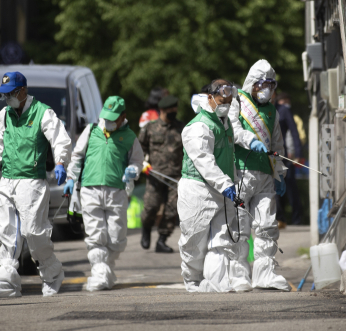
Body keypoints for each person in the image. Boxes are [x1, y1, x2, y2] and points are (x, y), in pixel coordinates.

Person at [0, 71, 71, 298]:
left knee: (33, 232)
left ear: (23, 90)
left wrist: (61, 162)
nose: (7, 99)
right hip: (7, 180)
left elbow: (60, 139)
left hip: (32, 182)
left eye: (11, 94)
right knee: (6, 231)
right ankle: (7, 282)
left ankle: (52, 272)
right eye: (4, 95)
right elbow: (1, 150)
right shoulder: (4, 115)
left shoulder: (43, 113)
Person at [178, 79, 251, 292]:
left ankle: (215, 283)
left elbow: (228, 157)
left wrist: (232, 182)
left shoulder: (224, 123)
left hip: (222, 190)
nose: (226, 102)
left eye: (229, 99)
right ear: (209, 98)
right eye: (222, 98)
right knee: (194, 241)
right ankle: (192, 281)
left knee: (221, 241)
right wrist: (225, 183)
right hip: (198, 190)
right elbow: (204, 160)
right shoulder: (199, 126)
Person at [64, 96, 144, 291]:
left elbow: (137, 161)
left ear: (122, 116)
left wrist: (133, 170)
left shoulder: (130, 137)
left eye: (112, 118)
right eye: (105, 117)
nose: (108, 122)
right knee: (96, 235)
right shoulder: (91, 131)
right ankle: (99, 272)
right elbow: (77, 156)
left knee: (117, 238)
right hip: (90, 190)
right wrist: (71, 178)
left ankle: (105, 269)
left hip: (117, 191)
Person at [229, 59, 290, 291]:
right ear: (253, 84)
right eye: (264, 84)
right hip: (241, 171)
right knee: (240, 227)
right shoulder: (238, 102)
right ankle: (239, 275)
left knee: (267, 226)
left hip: (265, 175)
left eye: (272, 85)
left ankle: (265, 274)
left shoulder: (272, 111)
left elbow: (277, 144)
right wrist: (250, 140)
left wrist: (280, 172)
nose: (268, 89)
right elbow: (234, 128)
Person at [138, 95, 184, 253]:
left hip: (175, 177)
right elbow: (139, 148)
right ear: (163, 110)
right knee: (151, 207)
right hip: (155, 175)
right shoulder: (150, 128)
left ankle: (162, 240)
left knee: (172, 209)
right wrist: (143, 163)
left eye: (175, 109)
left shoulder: (181, 128)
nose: (174, 111)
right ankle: (146, 229)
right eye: (171, 109)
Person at [275, 92, 304, 226]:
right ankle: (279, 218)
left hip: (284, 156)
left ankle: (297, 220)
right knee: (273, 189)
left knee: (291, 188)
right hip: (267, 155)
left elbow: (294, 131)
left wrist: (298, 153)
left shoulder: (284, 111)